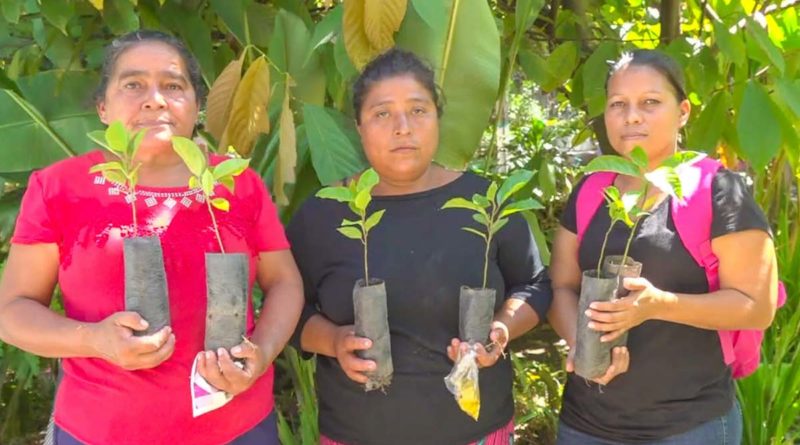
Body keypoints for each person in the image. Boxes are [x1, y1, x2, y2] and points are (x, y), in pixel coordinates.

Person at [0, 30, 303, 445]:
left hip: (239, 428)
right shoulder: (59, 188)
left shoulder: (237, 185)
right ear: (103, 108)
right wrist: (94, 340)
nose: (155, 98)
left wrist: (263, 351)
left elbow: (284, 282)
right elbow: (12, 311)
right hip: (99, 431)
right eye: (133, 84)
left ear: (196, 106)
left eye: (173, 86)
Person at [286, 48, 552, 445]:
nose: (402, 127)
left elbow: (535, 284)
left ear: (437, 118)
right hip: (357, 433)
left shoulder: (487, 204)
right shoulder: (323, 214)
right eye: (382, 114)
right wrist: (333, 342)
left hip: (476, 430)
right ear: (358, 127)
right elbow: (288, 307)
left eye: (418, 110)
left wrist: (501, 329)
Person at [548, 49, 779, 444]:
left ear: (684, 112)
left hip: (689, 427)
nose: (631, 116)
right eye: (618, 104)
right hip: (586, 425)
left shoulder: (720, 192)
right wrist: (582, 346)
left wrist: (659, 305)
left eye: (650, 103)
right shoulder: (592, 189)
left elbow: (757, 307)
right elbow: (560, 287)